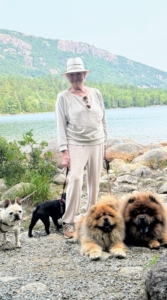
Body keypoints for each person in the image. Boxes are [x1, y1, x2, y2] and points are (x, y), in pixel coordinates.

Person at [55, 57, 107, 238]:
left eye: (78, 74)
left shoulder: (96, 93)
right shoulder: (63, 97)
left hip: (97, 142)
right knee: (76, 179)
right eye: (72, 75)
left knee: (94, 182)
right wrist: (65, 152)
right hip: (76, 143)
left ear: (84, 74)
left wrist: (105, 144)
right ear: (68, 77)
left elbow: (103, 120)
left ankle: (90, 218)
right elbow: (60, 125)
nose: (75, 77)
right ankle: (69, 222)